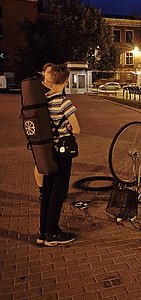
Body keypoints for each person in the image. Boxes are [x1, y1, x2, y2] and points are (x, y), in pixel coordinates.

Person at [37, 63, 80, 246]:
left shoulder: (43, 100)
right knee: (58, 192)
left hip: (47, 152)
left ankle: (43, 232)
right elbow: (76, 129)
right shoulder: (64, 102)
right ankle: (53, 233)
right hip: (62, 153)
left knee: (47, 191)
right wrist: (68, 127)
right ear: (65, 80)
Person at [33, 62, 55, 192]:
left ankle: (51, 188)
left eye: (53, 72)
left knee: (51, 160)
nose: (51, 75)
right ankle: (42, 190)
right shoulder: (38, 89)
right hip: (41, 130)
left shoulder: (56, 88)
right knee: (40, 162)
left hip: (53, 130)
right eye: (48, 72)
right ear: (43, 73)